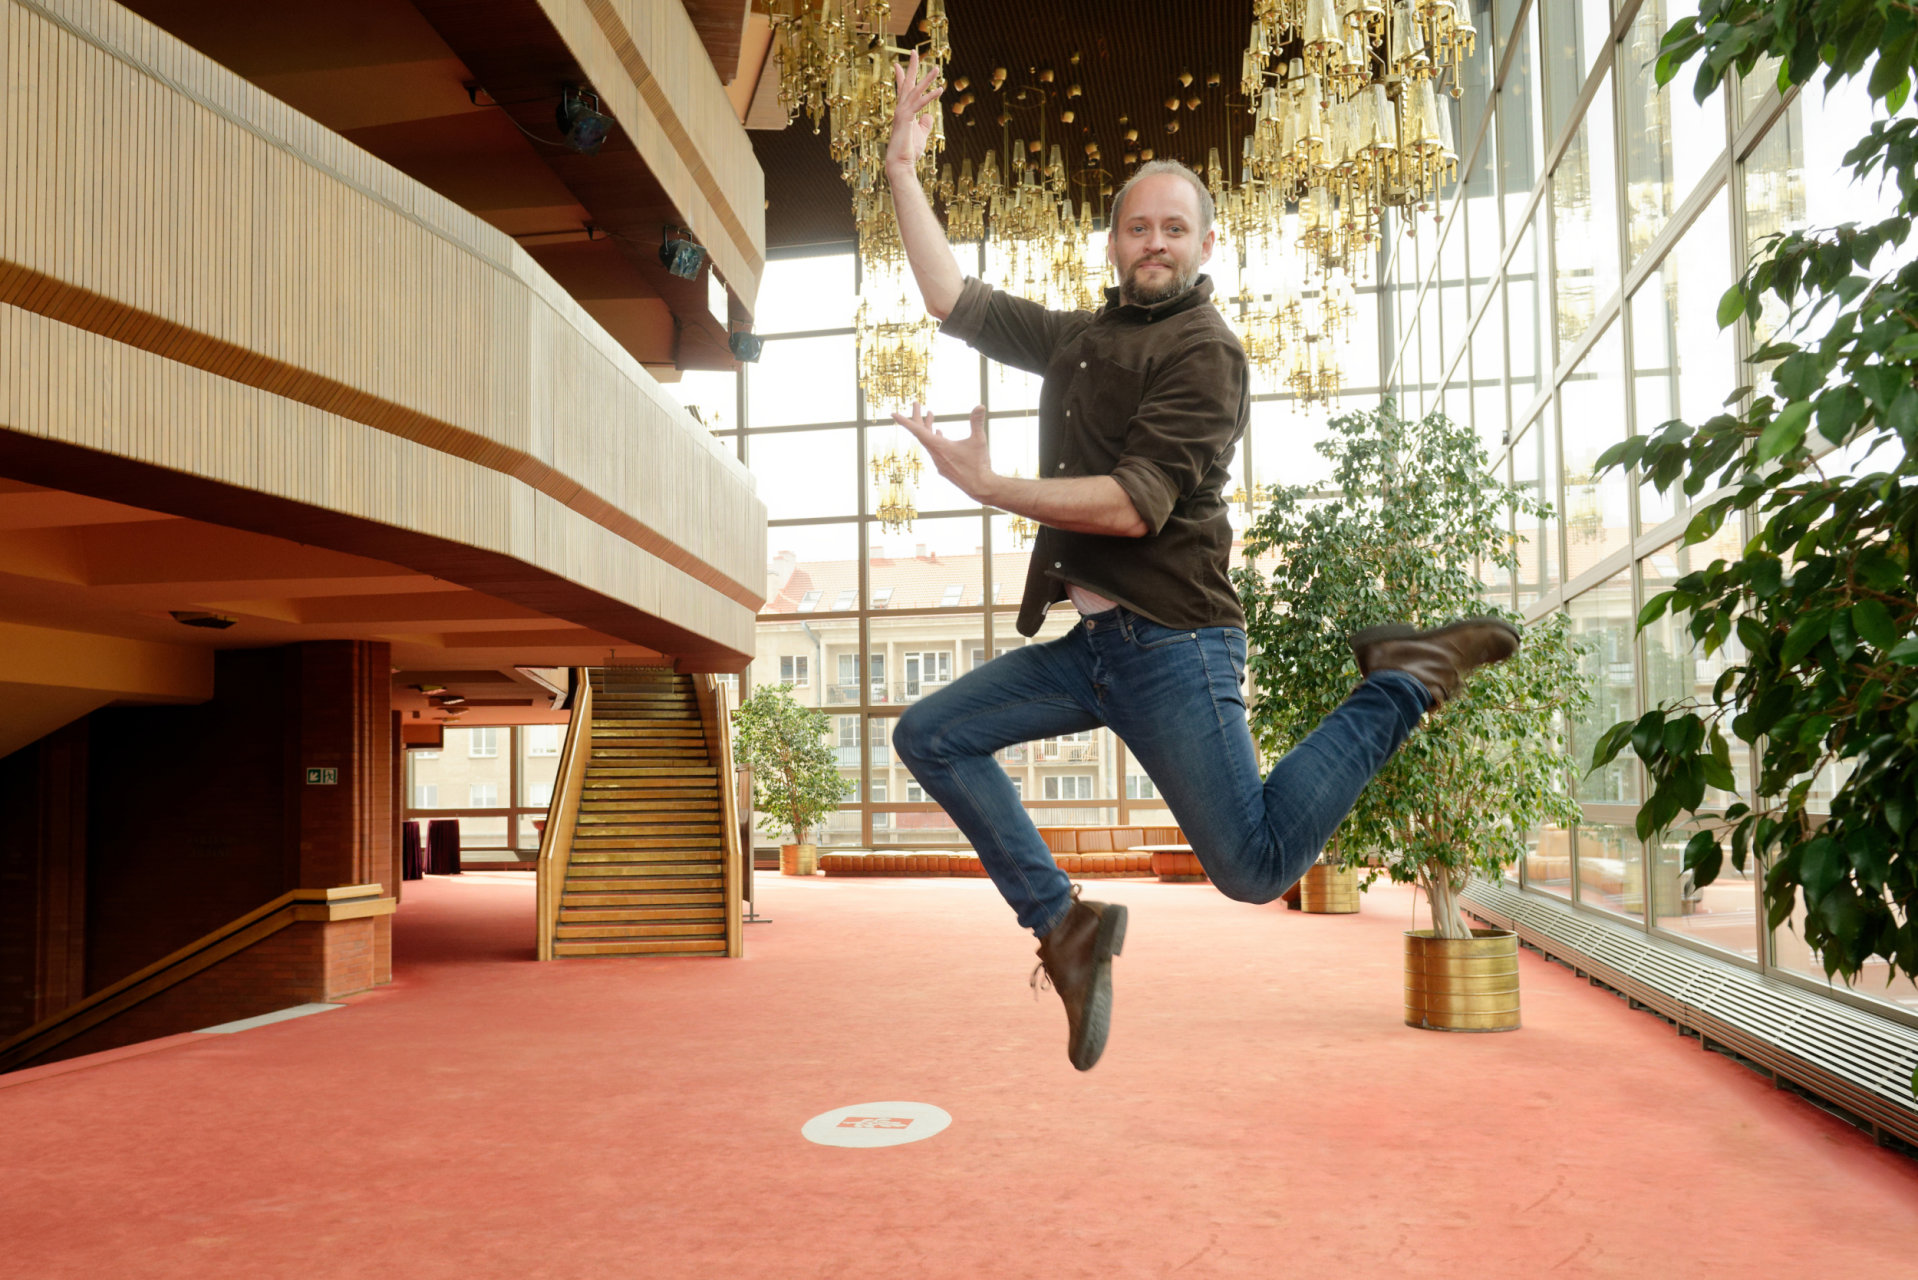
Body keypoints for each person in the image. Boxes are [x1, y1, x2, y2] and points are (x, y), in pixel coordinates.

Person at [880, 53, 1521, 1071]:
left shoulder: (1204, 350)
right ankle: (1064, 925)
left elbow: (1134, 506)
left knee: (1254, 866)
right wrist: (902, 169)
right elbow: (951, 296)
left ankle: (1403, 678)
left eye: (1174, 228)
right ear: (1113, 242)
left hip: (1174, 642)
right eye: (1138, 227)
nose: (1155, 243)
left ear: (1205, 244)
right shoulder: (1082, 337)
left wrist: (992, 485)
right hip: (1095, 648)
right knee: (933, 734)